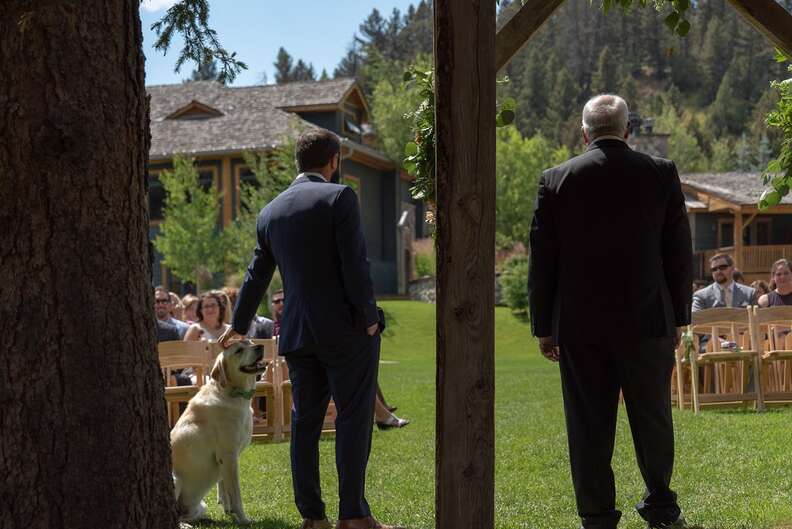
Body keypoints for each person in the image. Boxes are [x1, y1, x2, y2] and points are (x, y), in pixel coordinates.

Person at [219, 129, 402, 529]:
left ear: (299, 163)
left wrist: (237, 323)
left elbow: (256, 275)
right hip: (346, 329)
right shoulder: (340, 197)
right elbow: (355, 263)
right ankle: (353, 516)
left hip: (298, 333)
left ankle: (312, 518)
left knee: (305, 424)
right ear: (333, 160)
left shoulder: (269, 212)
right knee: (353, 419)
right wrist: (370, 317)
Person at [528, 94, 691, 529]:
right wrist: (680, 317)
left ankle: (597, 517)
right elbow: (678, 252)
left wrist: (544, 326)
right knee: (652, 417)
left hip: (581, 325)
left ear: (584, 133)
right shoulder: (660, 173)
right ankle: (660, 507)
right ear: (628, 129)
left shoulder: (556, 179)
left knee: (588, 424)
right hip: (647, 319)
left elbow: (543, 260)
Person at [692, 254, 756, 311]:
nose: (718, 271)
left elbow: (758, 319)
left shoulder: (750, 293)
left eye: (722, 267)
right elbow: (696, 319)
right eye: (714, 269)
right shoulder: (701, 296)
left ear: (732, 268)